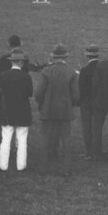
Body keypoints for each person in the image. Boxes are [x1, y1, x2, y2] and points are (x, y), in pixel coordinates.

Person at [34, 44, 78, 174]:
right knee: (66, 139)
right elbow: (76, 95)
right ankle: (66, 169)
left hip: (48, 110)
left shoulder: (46, 71)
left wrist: (42, 104)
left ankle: (43, 168)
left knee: (45, 138)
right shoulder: (71, 72)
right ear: (65, 57)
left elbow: (38, 93)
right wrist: (70, 104)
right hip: (65, 110)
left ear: (53, 57)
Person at [0, 48, 33, 172]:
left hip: (7, 111)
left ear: (12, 62)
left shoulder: (3, 75)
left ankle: (3, 165)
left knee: (5, 139)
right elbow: (30, 93)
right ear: (21, 63)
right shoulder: (26, 77)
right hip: (22, 111)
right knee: (22, 140)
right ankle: (21, 166)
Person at [76, 45, 100, 159]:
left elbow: (81, 88)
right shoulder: (101, 68)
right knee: (97, 127)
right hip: (98, 101)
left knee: (87, 127)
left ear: (87, 55)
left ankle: (88, 151)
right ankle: (96, 151)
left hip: (86, 102)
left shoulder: (85, 70)